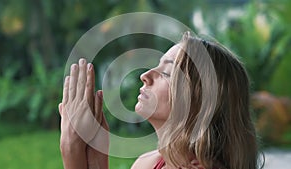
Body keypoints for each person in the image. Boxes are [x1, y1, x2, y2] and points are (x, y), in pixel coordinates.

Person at [58, 31, 261, 169]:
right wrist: (93, 155)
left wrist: (71, 149)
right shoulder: (148, 163)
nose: (145, 75)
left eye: (167, 72)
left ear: (201, 101)